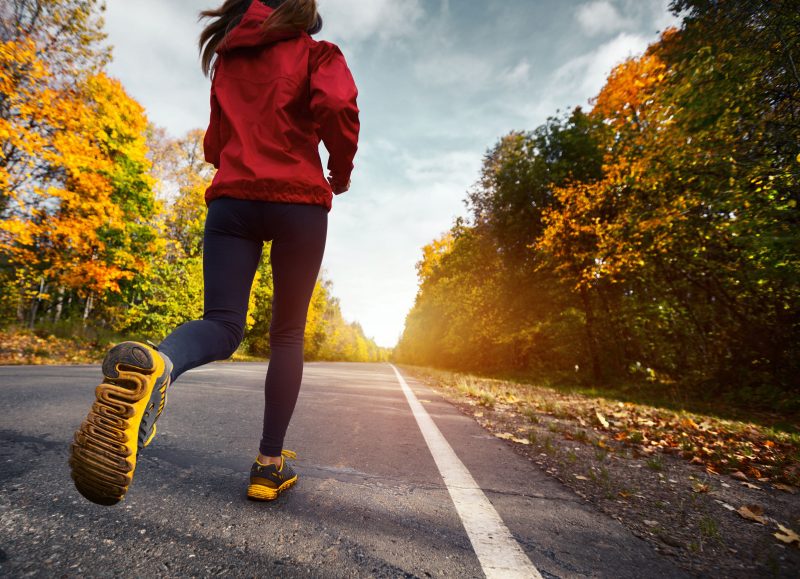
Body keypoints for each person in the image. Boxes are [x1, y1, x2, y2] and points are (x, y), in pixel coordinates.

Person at [68, 0, 359, 506]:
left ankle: (161, 362)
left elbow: (216, 141)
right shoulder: (318, 54)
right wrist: (341, 169)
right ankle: (269, 466)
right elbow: (338, 109)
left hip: (232, 201)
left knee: (223, 323)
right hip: (298, 202)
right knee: (286, 334)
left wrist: (238, 160)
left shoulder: (229, 57)